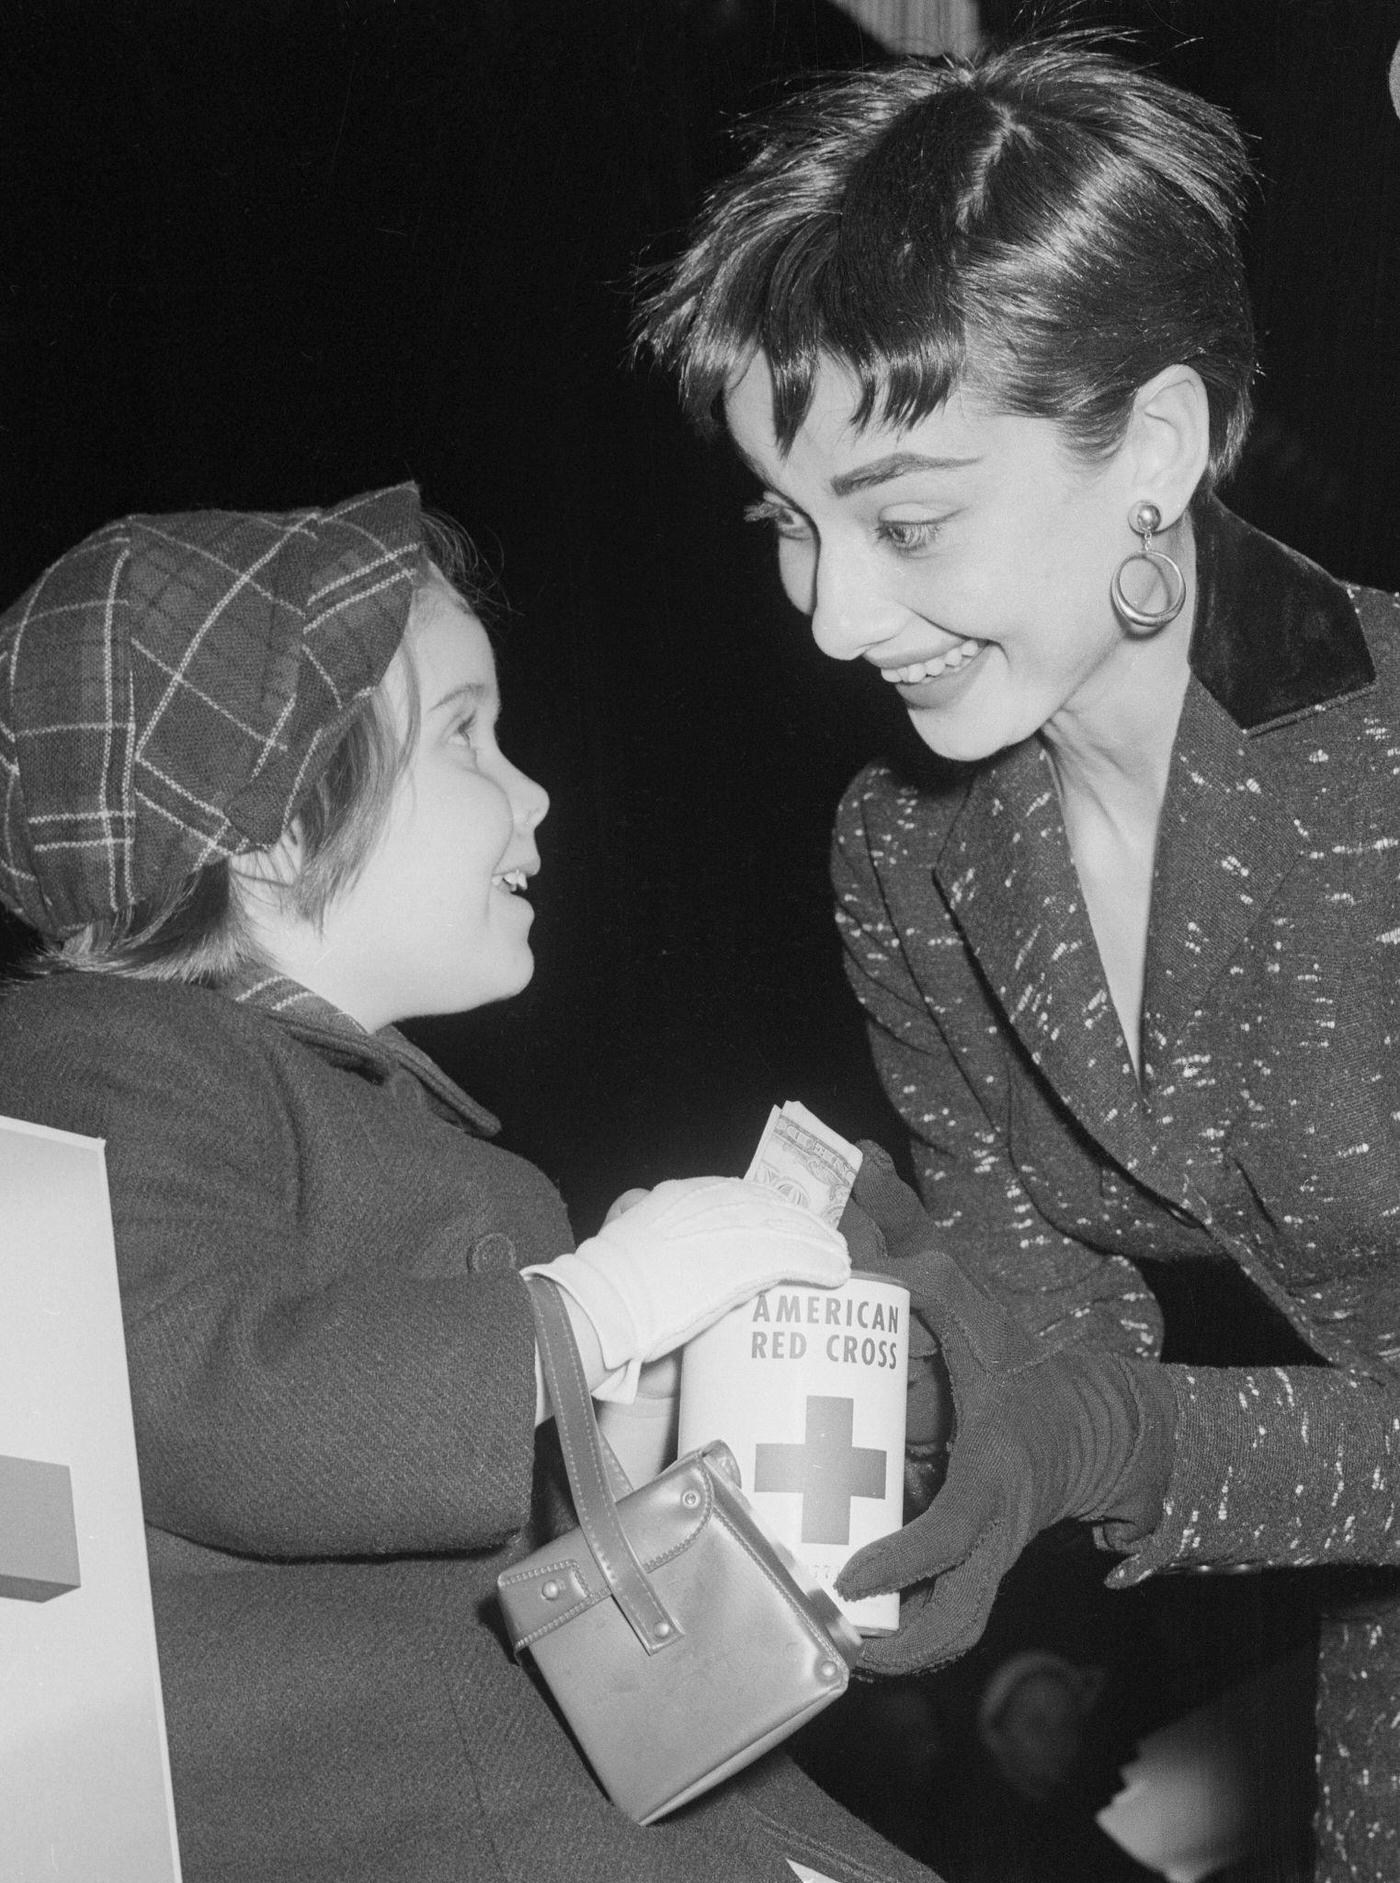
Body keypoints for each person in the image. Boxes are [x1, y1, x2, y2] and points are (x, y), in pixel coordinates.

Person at [634, 28, 1400, 1880]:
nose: (833, 617)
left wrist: (1107, 1445)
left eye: (905, 519)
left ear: (1151, 445)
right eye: (792, 526)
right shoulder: (908, 850)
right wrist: (922, 1365)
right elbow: (1053, 1317)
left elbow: (1115, 1421)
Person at [0, 484, 943, 1883]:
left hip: (559, 1810)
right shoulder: (99, 1065)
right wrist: (584, 1314)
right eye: (465, 735)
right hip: (355, 1826)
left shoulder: (465, 1165)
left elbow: (566, 1595)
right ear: (267, 818)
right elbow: (188, 1388)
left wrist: (683, 1434)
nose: (533, 790)